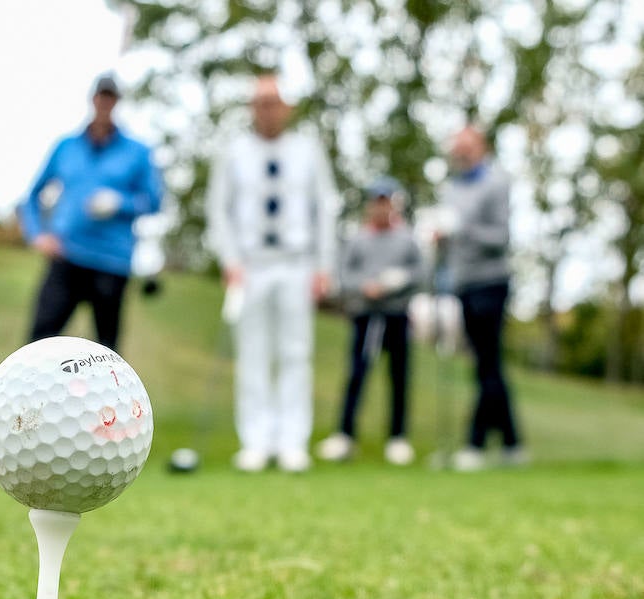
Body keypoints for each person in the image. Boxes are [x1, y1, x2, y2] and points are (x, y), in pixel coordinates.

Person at [206, 73, 338, 472]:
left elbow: (325, 208)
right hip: (251, 266)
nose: (267, 110)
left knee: (296, 353)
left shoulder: (308, 150)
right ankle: (256, 441)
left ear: (286, 107)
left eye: (273, 102)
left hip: (296, 263)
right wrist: (229, 260)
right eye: (260, 102)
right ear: (251, 108)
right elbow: (219, 210)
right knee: (252, 353)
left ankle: (292, 441)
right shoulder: (233, 152)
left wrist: (323, 265)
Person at [20, 73, 164, 352]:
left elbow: (155, 202)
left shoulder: (138, 152)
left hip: (112, 262)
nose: (105, 102)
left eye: (110, 97)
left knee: (107, 354)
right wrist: (38, 234)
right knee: (37, 344)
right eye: (101, 96)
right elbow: (32, 197)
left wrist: (119, 202)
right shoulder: (66, 146)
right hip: (67, 256)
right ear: (93, 99)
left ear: (117, 102)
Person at [317, 177, 423, 466]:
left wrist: (395, 284)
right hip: (365, 315)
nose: (381, 207)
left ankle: (398, 438)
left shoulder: (407, 239)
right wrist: (364, 286)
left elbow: (419, 273)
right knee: (357, 374)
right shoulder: (357, 239)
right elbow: (343, 275)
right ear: (370, 205)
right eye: (376, 201)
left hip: (396, 315)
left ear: (393, 204)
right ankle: (345, 436)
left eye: (386, 201)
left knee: (399, 377)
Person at [435, 126, 524, 470]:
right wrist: (443, 238)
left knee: (486, 363)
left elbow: (500, 237)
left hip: (491, 281)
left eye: (467, 148)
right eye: (457, 149)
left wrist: (462, 230)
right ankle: (513, 444)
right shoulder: (452, 188)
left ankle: (475, 443)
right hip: (463, 283)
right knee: (488, 364)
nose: (461, 154)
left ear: (481, 148)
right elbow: (452, 240)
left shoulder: (496, 183)